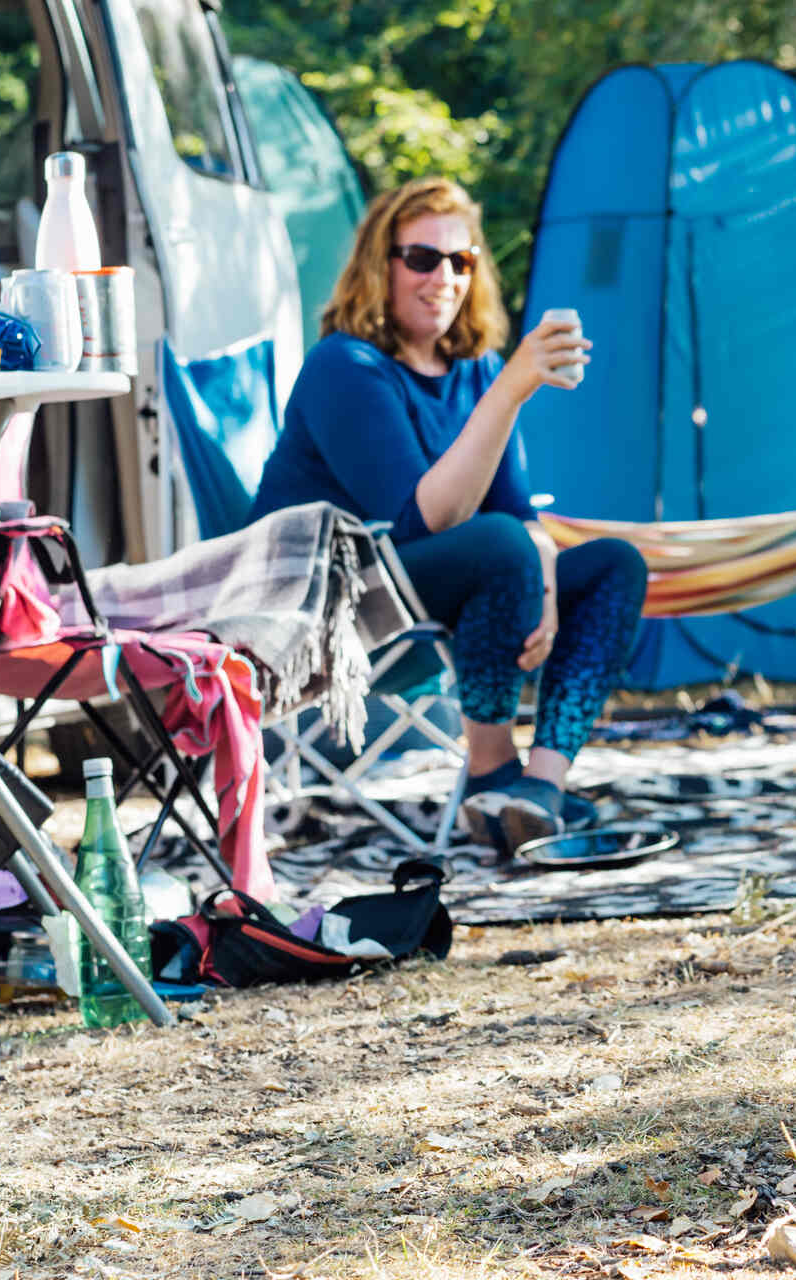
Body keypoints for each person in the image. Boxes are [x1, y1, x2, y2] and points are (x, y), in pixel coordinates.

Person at [246, 177, 647, 854]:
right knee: (495, 546)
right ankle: (491, 774)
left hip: (438, 588)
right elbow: (416, 521)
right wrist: (514, 388)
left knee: (612, 564)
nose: (445, 278)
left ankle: (538, 791)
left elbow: (520, 512)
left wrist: (547, 586)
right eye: (423, 259)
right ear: (382, 264)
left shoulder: (475, 369)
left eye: (460, 262)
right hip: (326, 597)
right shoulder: (344, 366)